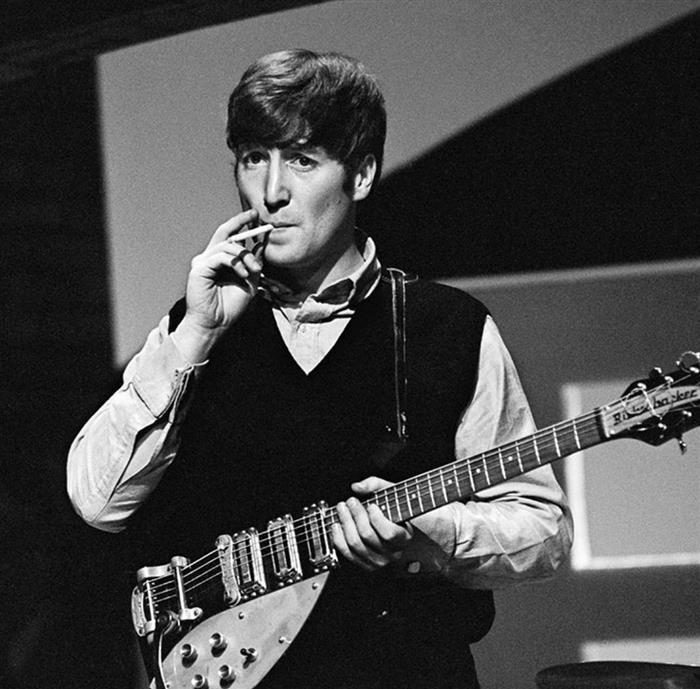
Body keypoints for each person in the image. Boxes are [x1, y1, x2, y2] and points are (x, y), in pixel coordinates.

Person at [67, 49, 572, 689]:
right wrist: (197, 332)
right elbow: (98, 502)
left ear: (360, 175)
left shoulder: (449, 327)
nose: (271, 191)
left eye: (301, 160)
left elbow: (542, 529)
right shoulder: (197, 325)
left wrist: (431, 534)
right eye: (255, 158)